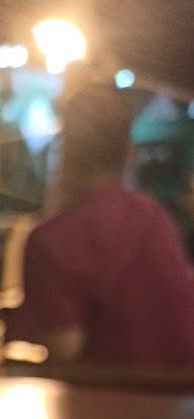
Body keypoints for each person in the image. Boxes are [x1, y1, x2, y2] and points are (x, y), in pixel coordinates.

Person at [15, 82, 194, 367]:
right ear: (128, 153)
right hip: (181, 390)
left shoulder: (51, 239)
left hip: (110, 391)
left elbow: (65, 349)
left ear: (66, 147)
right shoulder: (155, 216)